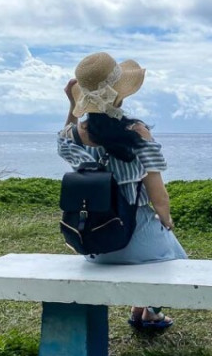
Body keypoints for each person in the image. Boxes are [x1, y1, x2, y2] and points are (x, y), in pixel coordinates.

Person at [57, 52, 186, 330]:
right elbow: (158, 196)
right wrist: (166, 221)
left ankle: (143, 309)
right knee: (177, 258)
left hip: (96, 241)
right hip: (132, 234)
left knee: (158, 252)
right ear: (120, 96)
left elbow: (64, 135)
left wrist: (72, 106)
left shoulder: (74, 138)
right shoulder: (137, 133)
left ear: (84, 98)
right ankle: (150, 312)